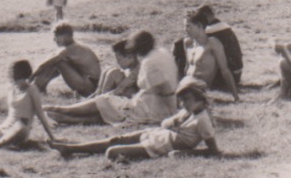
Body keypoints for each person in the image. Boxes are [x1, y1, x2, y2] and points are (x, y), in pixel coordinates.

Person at [51, 78, 222, 161]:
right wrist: (173, 122)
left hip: (160, 146)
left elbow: (213, 151)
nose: (183, 104)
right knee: (114, 139)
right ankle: (69, 148)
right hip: (156, 134)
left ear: (200, 99)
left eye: (187, 100)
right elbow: (165, 124)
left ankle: (72, 149)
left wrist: (184, 153)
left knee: (112, 152)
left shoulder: (202, 121)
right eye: (182, 100)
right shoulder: (187, 112)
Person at [47, 30, 176, 126]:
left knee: (105, 100)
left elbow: (165, 87)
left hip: (150, 111)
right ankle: (63, 117)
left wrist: (171, 114)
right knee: (110, 112)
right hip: (156, 109)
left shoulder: (149, 62)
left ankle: (59, 110)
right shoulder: (162, 53)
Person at [181, 5, 240, 100]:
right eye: (184, 26)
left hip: (199, 87)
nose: (185, 30)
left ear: (199, 26)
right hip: (186, 84)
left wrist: (235, 96)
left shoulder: (212, 43)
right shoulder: (187, 42)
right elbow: (187, 67)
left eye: (188, 26)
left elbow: (225, 70)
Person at [32, 23, 103, 95]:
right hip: (91, 85)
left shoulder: (70, 49)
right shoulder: (74, 47)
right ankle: (39, 87)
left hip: (89, 88)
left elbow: (44, 65)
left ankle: (36, 88)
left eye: (55, 37)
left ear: (64, 37)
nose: (54, 40)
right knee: (56, 60)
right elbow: (50, 59)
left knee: (57, 62)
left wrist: (31, 77)